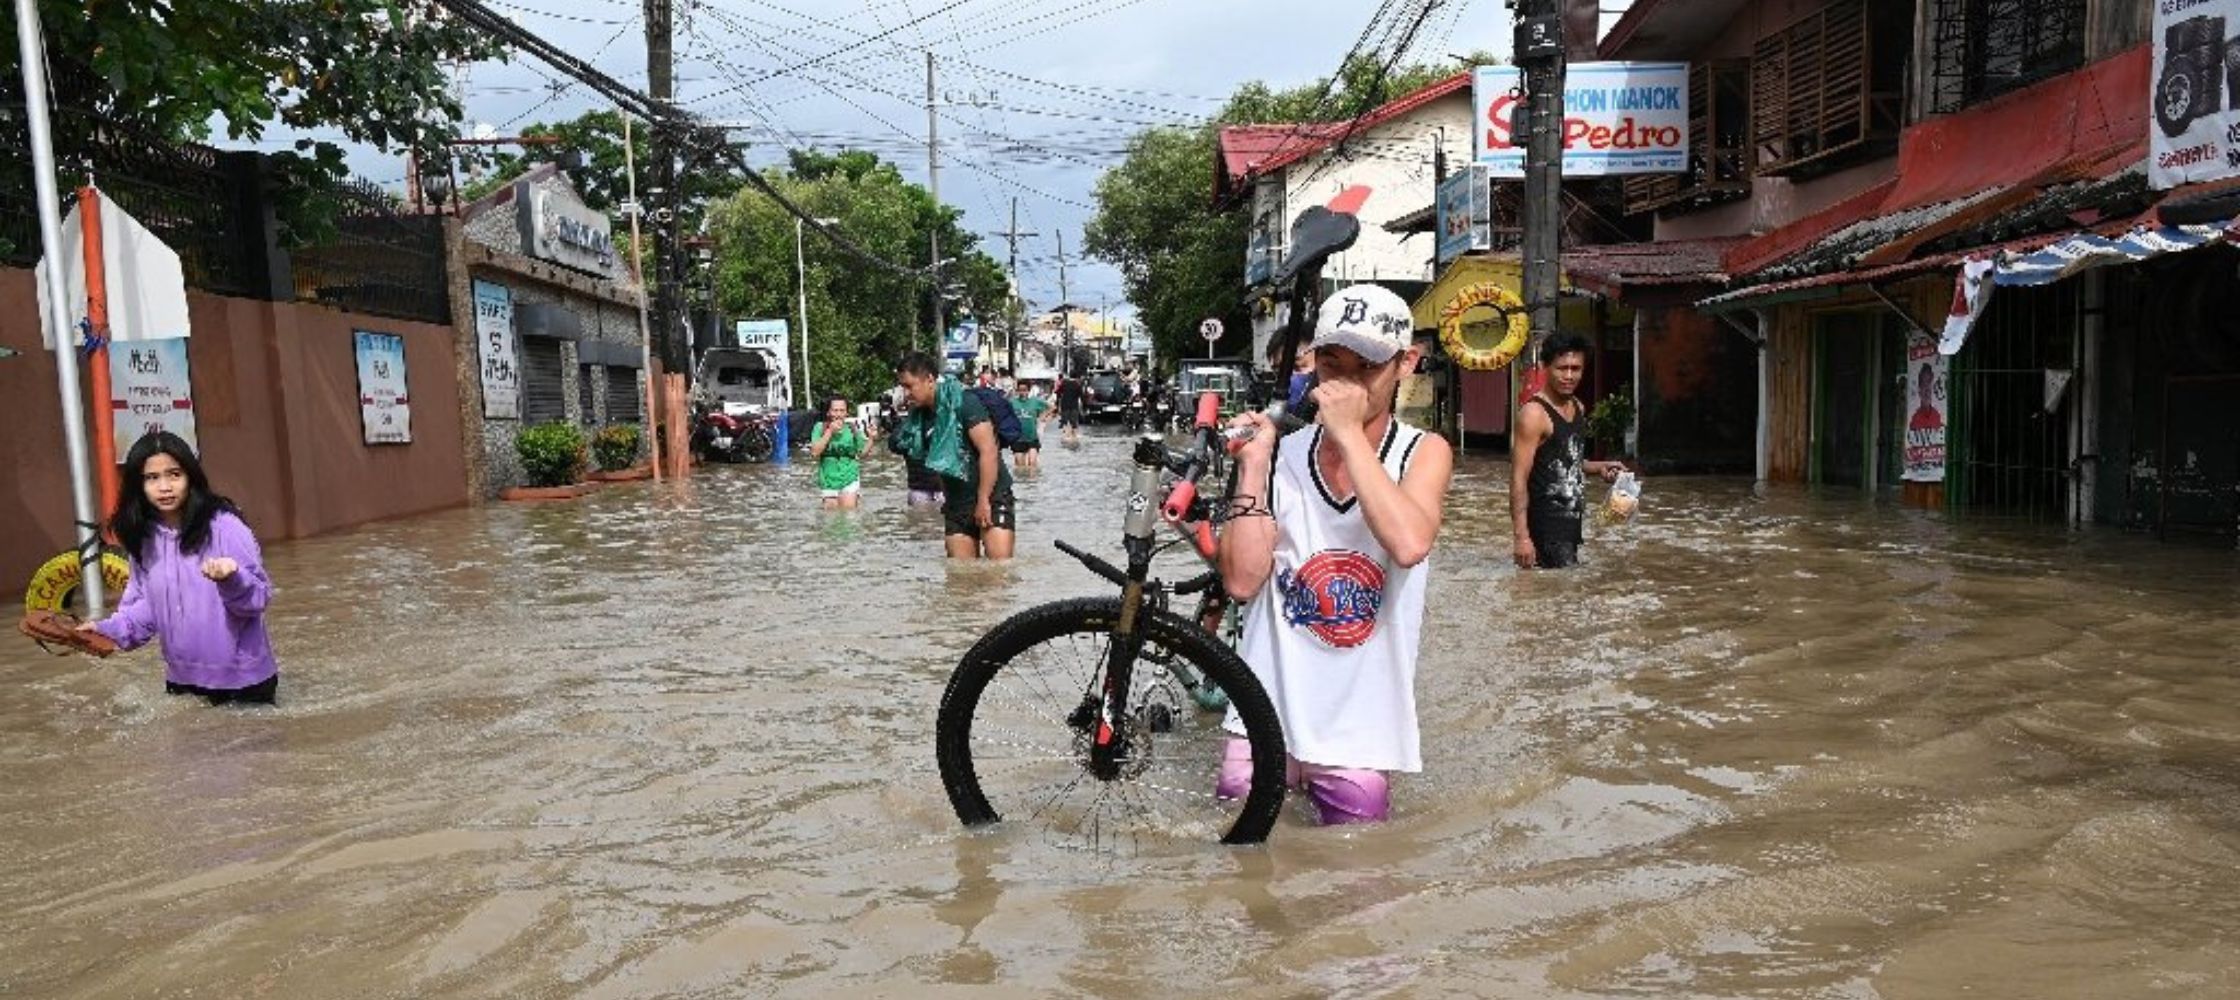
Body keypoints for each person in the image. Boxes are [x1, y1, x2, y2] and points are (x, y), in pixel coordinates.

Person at [1216, 284, 1455, 825]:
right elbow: (1241, 581)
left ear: (1405, 363)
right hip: (1263, 710)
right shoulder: (1280, 455)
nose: (1344, 383)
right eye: (1331, 363)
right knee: (1237, 867)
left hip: (1360, 728)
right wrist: (1254, 467)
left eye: (1365, 366)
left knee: (1356, 881)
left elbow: (1409, 543)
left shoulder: (1425, 452)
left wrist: (1347, 434)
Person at [79, 431, 280, 705]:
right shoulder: (143, 538)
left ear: (191, 478)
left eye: (174, 474)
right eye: (152, 478)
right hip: (181, 683)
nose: (165, 487)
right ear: (138, 486)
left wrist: (232, 578)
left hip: (244, 683)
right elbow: (144, 610)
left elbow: (257, 600)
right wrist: (105, 630)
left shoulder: (225, 526)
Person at [1510, 333, 1624, 570]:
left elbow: (1568, 461)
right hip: (1544, 528)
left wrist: (1600, 467)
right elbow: (1518, 480)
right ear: (1545, 367)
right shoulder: (1534, 415)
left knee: (1563, 597)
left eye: (1576, 368)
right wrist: (1521, 538)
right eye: (1562, 368)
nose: (1569, 376)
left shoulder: (1578, 407)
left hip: (1571, 524)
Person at [894, 352, 1016, 560]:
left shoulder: (964, 403)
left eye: (909, 386)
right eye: (902, 387)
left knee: (999, 574)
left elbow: (989, 451)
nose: (906, 394)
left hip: (991, 496)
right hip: (957, 503)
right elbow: (939, 464)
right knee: (960, 580)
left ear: (930, 380)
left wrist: (984, 500)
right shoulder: (920, 418)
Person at [809, 395, 869, 510]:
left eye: (842, 411)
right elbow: (815, 453)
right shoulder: (820, 427)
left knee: (849, 515)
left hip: (850, 476)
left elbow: (862, 454)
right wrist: (830, 431)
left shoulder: (852, 428)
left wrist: (871, 439)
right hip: (828, 479)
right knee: (831, 521)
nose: (838, 414)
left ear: (846, 413)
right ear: (828, 412)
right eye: (835, 410)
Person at [1009, 381, 1051, 472]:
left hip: (1032, 437)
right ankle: (1022, 485)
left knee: (1032, 464)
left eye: (1025, 390)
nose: (1022, 392)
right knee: (1020, 467)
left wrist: (1043, 416)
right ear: (1017, 391)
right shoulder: (1012, 402)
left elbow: (1051, 407)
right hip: (1018, 439)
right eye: (1020, 390)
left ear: (1028, 390)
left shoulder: (1035, 401)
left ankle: (1033, 485)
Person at [1054, 372, 1084, 445]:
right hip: (1074, 405)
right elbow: (1081, 395)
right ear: (1077, 377)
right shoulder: (1077, 384)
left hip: (1065, 404)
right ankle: (1074, 436)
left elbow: (1057, 392)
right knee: (1074, 421)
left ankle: (1066, 435)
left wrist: (1060, 398)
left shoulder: (1064, 383)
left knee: (1065, 420)